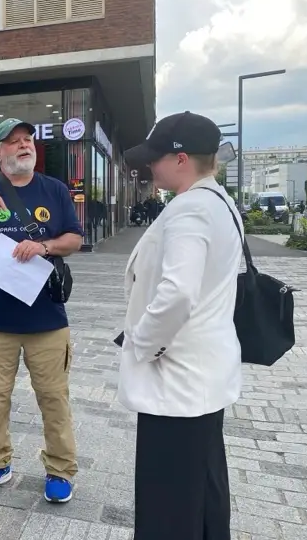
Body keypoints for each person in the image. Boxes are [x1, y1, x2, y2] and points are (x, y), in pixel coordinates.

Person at [117, 111, 243, 540]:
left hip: (177, 382)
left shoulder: (190, 211)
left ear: (182, 158)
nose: (149, 166)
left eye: (156, 158)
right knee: (203, 491)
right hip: (205, 377)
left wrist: (142, 344)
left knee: (167, 506)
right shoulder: (220, 202)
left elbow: (178, 293)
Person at [0, 117, 83, 503]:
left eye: (28, 139)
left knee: (54, 397)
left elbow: (74, 238)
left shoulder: (54, 189)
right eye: (13, 141)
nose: (24, 145)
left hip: (47, 319)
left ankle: (60, 470)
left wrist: (44, 247)